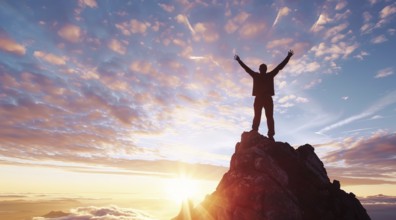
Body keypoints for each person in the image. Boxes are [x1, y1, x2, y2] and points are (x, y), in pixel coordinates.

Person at [234, 50, 294, 141]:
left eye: (263, 68)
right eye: (262, 68)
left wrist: (288, 57)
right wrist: (239, 61)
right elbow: (279, 67)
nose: (262, 69)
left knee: (266, 116)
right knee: (261, 116)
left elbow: (279, 67)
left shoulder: (263, 75)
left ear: (263, 69)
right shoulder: (263, 75)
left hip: (264, 98)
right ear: (262, 69)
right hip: (262, 98)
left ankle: (266, 133)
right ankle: (259, 131)